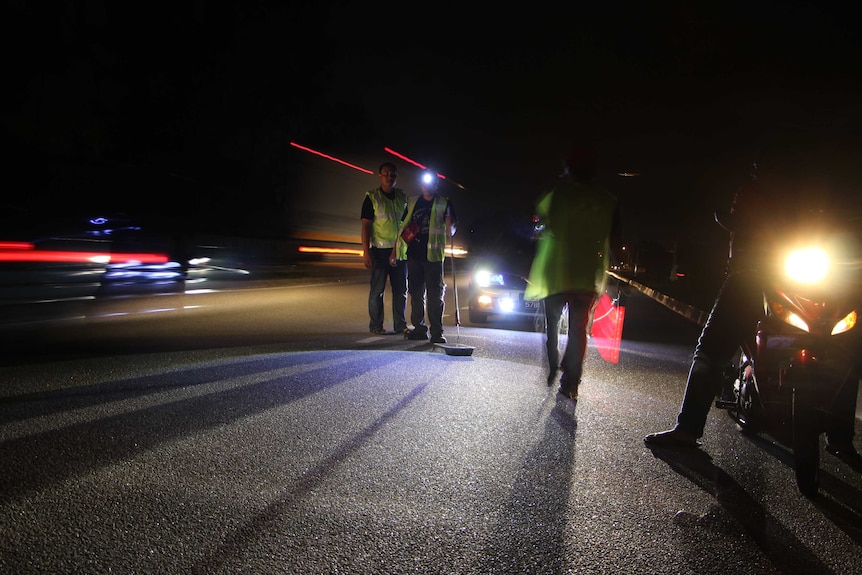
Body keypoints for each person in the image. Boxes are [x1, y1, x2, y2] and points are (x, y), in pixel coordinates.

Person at [644, 157, 861, 466]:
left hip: (809, 279)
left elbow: (839, 229)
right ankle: (687, 429)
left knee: (846, 346)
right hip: (751, 276)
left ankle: (841, 438)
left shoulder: (812, 197)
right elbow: (732, 218)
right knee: (711, 349)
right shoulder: (752, 192)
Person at [524, 145, 621, 400]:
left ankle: (554, 363)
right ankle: (571, 381)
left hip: (557, 273)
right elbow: (614, 236)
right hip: (587, 276)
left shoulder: (558, 195)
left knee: (553, 323)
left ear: (567, 168)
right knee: (579, 329)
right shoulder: (606, 200)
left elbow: (545, 224)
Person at [394, 170, 456, 344]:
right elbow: (403, 224)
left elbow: (451, 229)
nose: (427, 187)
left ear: (436, 185)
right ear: (421, 185)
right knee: (417, 293)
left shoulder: (444, 203)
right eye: (424, 184)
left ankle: (436, 332)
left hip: (434, 257)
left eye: (431, 184)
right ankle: (419, 328)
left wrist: (450, 226)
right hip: (414, 254)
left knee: (435, 295)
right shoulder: (413, 202)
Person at [361, 162, 408, 336]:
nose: (389, 177)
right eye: (386, 174)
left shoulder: (402, 197)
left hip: (399, 252)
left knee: (400, 291)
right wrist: (366, 251)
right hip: (379, 252)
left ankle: (400, 325)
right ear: (379, 175)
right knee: (377, 291)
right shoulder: (371, 197)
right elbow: (365, 226)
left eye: (393, 174)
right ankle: (376, 325)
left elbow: (408, 224)